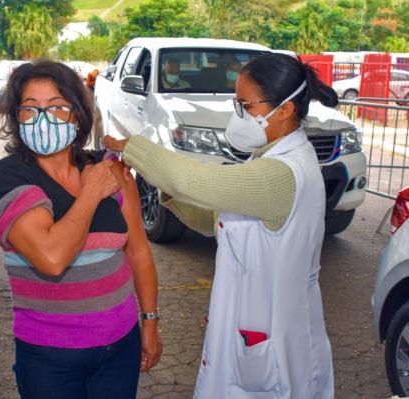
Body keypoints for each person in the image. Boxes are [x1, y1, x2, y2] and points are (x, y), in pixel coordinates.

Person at [104, 53, 337, 398]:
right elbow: (224, 219)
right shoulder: (274, 160)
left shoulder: (281, 175)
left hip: (276, 340)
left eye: (245, 106)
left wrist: (132, 148)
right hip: (259, 323)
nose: (237, 115)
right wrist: (168, 196)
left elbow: (192, 180)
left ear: (285, 110)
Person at [0, 60, 162, 399]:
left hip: (121, 347)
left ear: (77, 115)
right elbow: (52, 257)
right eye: (29, 109)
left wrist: (149, 321)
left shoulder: (110, 171)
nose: (43, 118)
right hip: (50, 358)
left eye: (57, 107)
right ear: (16, 118)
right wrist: (91, 193)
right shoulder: (6, 178)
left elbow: (137, 250)